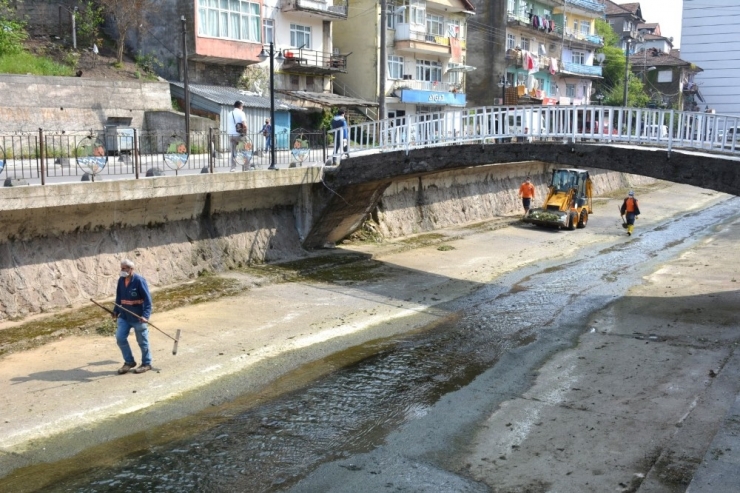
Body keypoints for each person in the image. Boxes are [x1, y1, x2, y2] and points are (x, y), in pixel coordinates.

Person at [113, 259, 153, 374]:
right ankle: (129, 362)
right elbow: (118, 297)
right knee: (120, 338)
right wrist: (115, 310)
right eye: (121, 268)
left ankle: (146, 363)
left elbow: (148, 300)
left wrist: (145, 316)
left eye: (124, 268)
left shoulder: (140, 281)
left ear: (131, 269)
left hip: (138, 317)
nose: (122, 270)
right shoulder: (121, 280)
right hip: (124, 316)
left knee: (142, 341)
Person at [228, 100, 247, 172]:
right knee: (245, 150)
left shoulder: (230, 113)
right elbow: (244, 124)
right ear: (240, 106)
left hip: (231, 135)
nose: (243, 108)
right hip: (240, 135)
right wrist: (245, 132)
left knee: (233, 152)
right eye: (242, 106)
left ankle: (233, 168)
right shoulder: (241, 113)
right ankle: (245, 167)